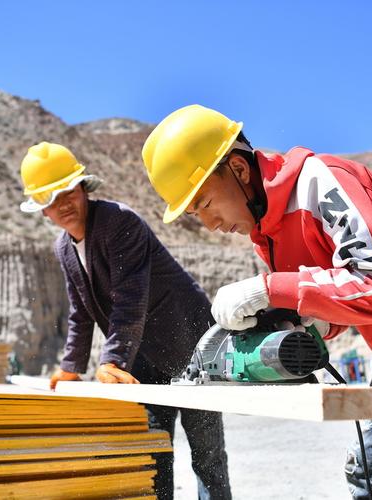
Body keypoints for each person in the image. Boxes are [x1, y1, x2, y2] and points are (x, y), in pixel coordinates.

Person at [141, 105, 372, 499]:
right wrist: (291, 325)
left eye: (206, 203)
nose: (209, 223)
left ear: (239, 170)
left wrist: (271, 289)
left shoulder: (319, 182)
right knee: (365, 474)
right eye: (196, 214)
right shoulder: (268, 234)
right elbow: (336, 309)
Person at [18, 141, 231, 500]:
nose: (63, 204)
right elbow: (81, 312)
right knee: (152, 455)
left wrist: (112, 359)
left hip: (192, 346)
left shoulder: (119, 222)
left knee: (207, 457)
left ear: (83, 187)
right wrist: (71, 366)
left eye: (68, 191)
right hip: (142, 360)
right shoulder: (64, 249)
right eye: (51, 200)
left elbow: (131, 299)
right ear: (42, 211)